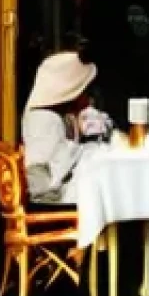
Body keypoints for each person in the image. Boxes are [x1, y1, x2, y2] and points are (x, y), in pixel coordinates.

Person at [21, 49, 102, 205]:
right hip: (49, 195)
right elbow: (57, 167)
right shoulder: (43, 118)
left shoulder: (64, 116)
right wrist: (90, 150)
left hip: (60, 185)